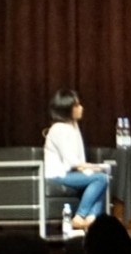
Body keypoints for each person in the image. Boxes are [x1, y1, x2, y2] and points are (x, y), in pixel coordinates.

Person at [44, 89, 109, 231]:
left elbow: (79, 159)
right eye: (76, 106)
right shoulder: (58, 129)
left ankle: (91, 221)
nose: (81, 108)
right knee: (100, 178)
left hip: (70, 173)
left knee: (102, 178)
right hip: (58, 174)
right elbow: (72, 161)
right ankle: (80, 216)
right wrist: (92, 167)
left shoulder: (74, 126)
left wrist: (89, 169)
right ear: (67, 109)